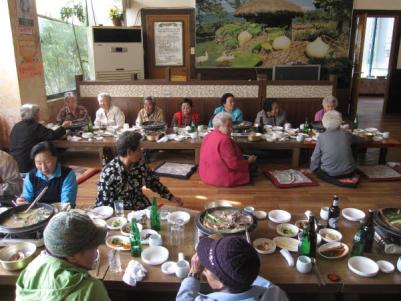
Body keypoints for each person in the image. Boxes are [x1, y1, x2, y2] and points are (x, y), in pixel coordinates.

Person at [16, 211, 110, 301]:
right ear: (72, 256)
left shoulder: (32, 267)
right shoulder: (91, 289)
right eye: (94, 247)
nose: (96, 253)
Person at [176, 235, 288, 301]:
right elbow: (266, 285)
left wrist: (194, 274)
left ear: (219, 284)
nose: (204, 268)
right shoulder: (276, 294)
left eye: (207, 268)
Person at [96, 131, 183, 210]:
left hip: (139, 203)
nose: (141, 151)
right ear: (129, 152)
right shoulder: (109, 173)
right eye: (138, 149)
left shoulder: (140, 164)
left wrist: (171, 198)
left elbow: (153, 182)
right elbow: (105, 205)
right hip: (120, 210)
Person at [199, 112, 256, 187]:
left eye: (231, 125)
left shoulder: (208, 135)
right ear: (218, 126)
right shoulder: (224, 140)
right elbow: (233, 164)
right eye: (228, 126)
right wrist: (248, 162)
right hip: (219, 177)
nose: (231, 129)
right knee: (253, 168)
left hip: (205, 173)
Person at [10, 104, 71, 173]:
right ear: (35, 115)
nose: (40, 114)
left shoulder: (17, 126)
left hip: (14, 164)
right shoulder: (36, 127)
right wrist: (63, 126)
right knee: (49, 145)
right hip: (28, 164)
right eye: (38, 113)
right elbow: (53, 135)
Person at [16, 141, 77, 207]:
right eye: (39, 163)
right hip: (36, 214)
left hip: (60, 213)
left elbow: (67, 204)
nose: (43, 167)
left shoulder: (67, 174)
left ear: (55, 158)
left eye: (47, 162)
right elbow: (27, 199)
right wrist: (22, 201)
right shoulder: (31, 176)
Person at [310, 110, 360, 187]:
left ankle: (335, 180)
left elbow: (315, 157)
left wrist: (313, 169)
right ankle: (349, 176)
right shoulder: (346, 134)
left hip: (330, 173)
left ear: (324, 122)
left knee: (318, 171)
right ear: (340, 121)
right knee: (354, 145)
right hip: (350, 172)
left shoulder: (321, 136)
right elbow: (358, 140)